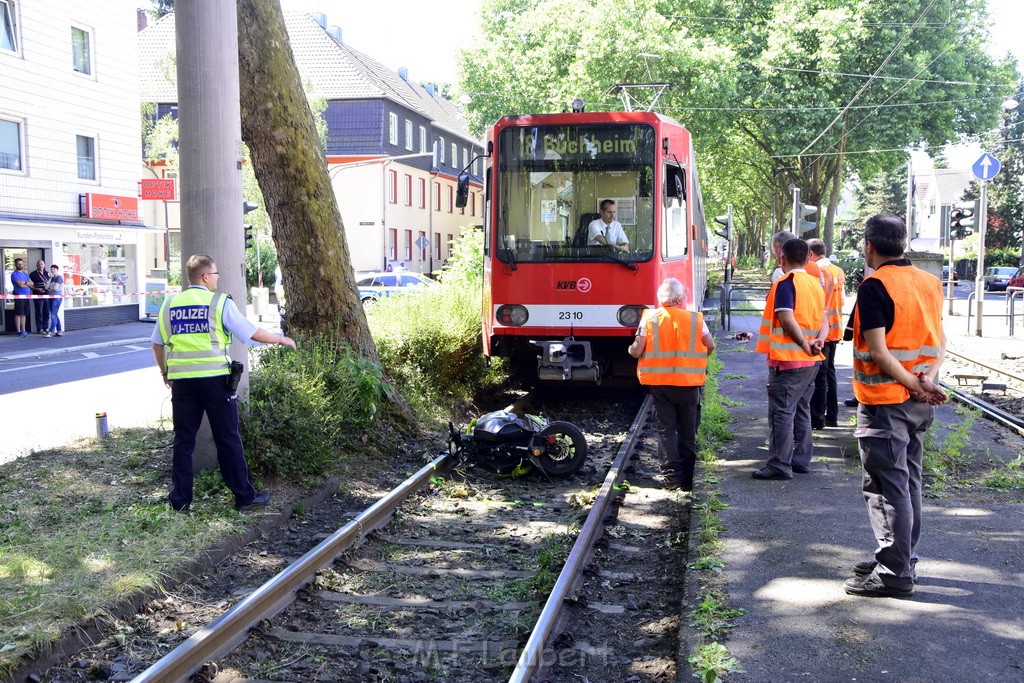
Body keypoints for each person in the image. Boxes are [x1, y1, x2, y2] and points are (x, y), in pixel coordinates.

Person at [845, 213, 946, 599]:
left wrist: (912, 386)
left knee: (886, 488)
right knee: (908, 482)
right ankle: (901, 556)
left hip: (885, 403)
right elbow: (939, 340)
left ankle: (894, 572)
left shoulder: (875, 286)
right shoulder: (929, 282)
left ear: (869, 246)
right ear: (902, 244)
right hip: (918, 403)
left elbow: (878, 351)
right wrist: (927, 381)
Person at [151, 254, 297, 512]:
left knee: (183, 440)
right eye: (216, 274)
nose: (218, 278)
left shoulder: (170, 303)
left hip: (183, 383)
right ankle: (244, 497)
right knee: (227, 437)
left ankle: (180, 501)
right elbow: (249, 332)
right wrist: (280, 339)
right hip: (216, 381)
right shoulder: (218, 302)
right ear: (205, 277)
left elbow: (157, 343)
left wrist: (165, 373)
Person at [628, 278, 714, 491]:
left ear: (662, 300)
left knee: (666, 430)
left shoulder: (649, 318)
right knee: (688, 430)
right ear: (680, 299)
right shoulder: (695, 319)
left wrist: (631, 350)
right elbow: (709, 346)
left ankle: (672, 479)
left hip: (661, 386)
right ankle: (688, 477)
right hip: (689, 384)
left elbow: (637, 350)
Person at [752, 238, 827, 480]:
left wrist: (805, 344)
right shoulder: (815, 283)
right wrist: (818, 341)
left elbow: (786, 319)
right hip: (811, 361)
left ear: (781, 259)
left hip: (788, 360)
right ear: (807, 259)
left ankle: (779, 465)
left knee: (781, 412)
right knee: (802, 409)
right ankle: (801, 459)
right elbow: (824, 320)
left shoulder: (786, 283)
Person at [808, 238, 844, 428]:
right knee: (830, 373)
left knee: (820, 376)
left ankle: (817, 419)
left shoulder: (818, 272)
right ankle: (833, 416)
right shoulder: (838, 271)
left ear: (811, 254)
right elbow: (842, 300)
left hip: (822, 330)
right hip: (835, 328)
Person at [10, 258, 32, 337]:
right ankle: (19, 331)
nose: (20, 265)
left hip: (27, 296)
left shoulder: (25, 274)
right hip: (19, 295)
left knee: (24, 313)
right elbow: (20, 285)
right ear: (15, 265)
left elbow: (32, 283)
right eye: (18, 264)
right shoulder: (14, 274)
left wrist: (26, 282)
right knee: (18, 313)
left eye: (21, 264)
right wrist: (27, 284)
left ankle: (24, 330)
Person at [28, 259, 50, 334]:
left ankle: (46, 327)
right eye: (39, 264)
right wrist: (37, 289)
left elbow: (50, 284)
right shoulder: (33, 274)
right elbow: (30, 286)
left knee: (46, 312)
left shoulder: (48, 274)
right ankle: (39, 328)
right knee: (39, 312)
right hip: (37, 295)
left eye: (42, 264)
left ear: (44, 265)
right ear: (36, 265)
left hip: (46, 295)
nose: (40, 265)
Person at [46, 264, 64, 337]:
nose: (52, 270)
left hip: (57, 298)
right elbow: (46, 287)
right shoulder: (52, 278)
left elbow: (56, 288)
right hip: (51, 297)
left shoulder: (59, 278)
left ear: (57, 270)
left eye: (54, 269)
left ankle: (51, 331)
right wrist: (50, 278)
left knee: (53, 314)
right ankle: (59, 331)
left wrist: (50, 289)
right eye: (51, 269)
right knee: (54, 314)